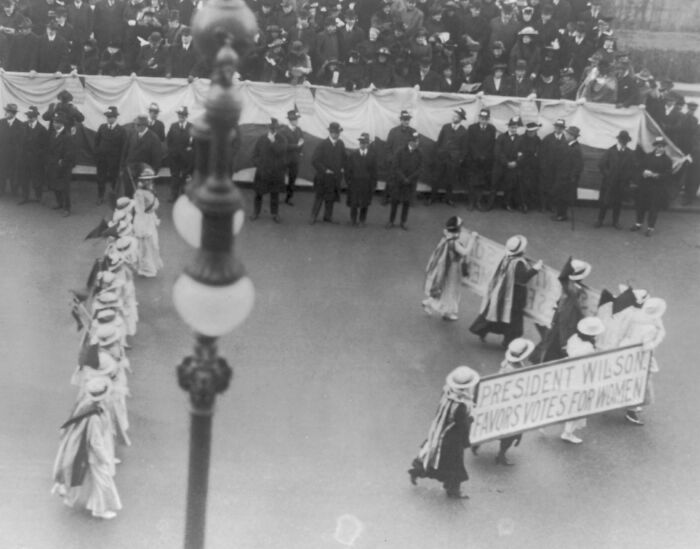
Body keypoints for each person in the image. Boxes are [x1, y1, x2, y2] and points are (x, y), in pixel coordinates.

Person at [51, 376, 122, 520]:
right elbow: (95, 442)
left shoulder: (88, 406)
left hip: (87, 452)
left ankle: (66, 491)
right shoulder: (95, 416)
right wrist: (105, 458)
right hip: (95, 456)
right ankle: (99, 509)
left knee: (84, 476)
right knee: (103, 481)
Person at [408, 365, 479, 499]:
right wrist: (471, 418)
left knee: (436, 459)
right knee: (456, 466)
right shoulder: (461, 406)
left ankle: (416, 471)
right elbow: (463, 425)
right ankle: (453, 491)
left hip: (441, 432)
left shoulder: (447, 392)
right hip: (453, 439)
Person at [471, 338, 536, 465]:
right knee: (510, 431)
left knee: (492, 424)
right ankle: (501, 455)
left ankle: (478, 442)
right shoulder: (516, 370)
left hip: (499, 400)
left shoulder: (507, 363)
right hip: (509, 404)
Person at [470, 235, 543, 345]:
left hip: (503, 291)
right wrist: (535, 269)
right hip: (515, 294)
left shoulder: (506, 257)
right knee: (514, 319)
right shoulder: (518, 263)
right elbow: (523, 278)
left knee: (496, 313)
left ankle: (481, 329)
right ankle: (508, 341)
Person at [535, 258, 592, 363]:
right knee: (560, 342)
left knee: (551, 340)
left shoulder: (567, 284)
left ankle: (543, 359)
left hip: (559, 316)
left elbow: (563, 277)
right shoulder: (576, 291)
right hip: (568, 319)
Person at [620, 297, 666, 425]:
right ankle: (631, 410)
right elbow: (647, 346)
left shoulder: (635, 316)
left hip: (628, 352)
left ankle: (630, 405)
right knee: (641, 384)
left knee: (631, 380)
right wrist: (655, 341)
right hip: (640, 358)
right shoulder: (649, 328)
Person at [560, 316, 605, 443]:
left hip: (569, 373)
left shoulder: (573, 338)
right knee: (577, 406)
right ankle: (568, 432)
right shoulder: (588, 348)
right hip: (580, 377)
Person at [422, 216, 475, 321]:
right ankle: (447, 312)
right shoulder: (454, 242)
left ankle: (430, 303)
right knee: (451, 289)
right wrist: (472, 239)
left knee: (445, 288)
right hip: (452, 267)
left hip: (447, 266)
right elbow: (465, 252)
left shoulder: (447, 237)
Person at [631, 137, 672, 237]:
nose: (660, 148)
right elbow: (640, 167)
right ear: (655, 146)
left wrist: (655, 175)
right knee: (641, 205)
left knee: (653, 208)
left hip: (657, 187)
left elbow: (668, 174)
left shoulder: (667, 160)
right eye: (658, 146)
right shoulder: (648, 156)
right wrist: (643, 173)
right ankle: (638, 224)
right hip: (645, 186)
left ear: (664, 147)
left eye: (662, 146)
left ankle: (650, 228)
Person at [595, 130, 637, 229]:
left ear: (627, 141)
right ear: (618, 140)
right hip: (609, 182)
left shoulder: (630, 153)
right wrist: (608, 175)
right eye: (622, 140)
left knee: (618, 203)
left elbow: (633, 168)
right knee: (604, 202)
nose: (623, 142)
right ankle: (600, 220)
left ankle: (615, 222)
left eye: (625, 140)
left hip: (622, 183)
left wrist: (628, 177)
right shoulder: (610, 151)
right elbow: (601, 165)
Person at [428, 107, 468, 207]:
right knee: (436, 178)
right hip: (441, 157)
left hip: (453, 160)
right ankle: (432, 198)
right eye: (454, 115)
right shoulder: (446, 127)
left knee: (451, 179)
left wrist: (459, 159)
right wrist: (438, 153)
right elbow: (439, 141)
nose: (454, 117)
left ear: (461, 119)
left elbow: (464, 148)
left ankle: (449, 199)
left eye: (457, 116)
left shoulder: (464, 131)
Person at [250, 118, 287, 223]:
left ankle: (275, 214)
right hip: (263, 172)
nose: (272, 130)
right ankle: (256, 212)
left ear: (277, 128)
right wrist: (259, 164)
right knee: (258, 193)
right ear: (267, 127)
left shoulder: (282, 139)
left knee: (275, 194)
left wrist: (273, 142)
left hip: (276, 173)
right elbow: (254, 155)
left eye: (274, 128)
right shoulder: (261, 138)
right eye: (270, 127)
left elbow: (281, 152)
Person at [311, 122, 346, 224]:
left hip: (334, 177)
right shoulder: (323, 144)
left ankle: (327, 217)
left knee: (331, 198)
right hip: (323, 177)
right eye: (334, 133)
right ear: (330, 132)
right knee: (319, 197)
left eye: (338, 133)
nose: (336, 135)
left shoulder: (340, 144)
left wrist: (343, 167)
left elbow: (344, 158)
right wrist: (325, 170)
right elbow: (314, 160)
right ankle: (313, 216)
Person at [120, 115, 163, 198]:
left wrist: (151, 175)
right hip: (129, 172)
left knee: (143, 197)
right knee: (128, 195)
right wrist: (123, 167)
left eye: (137, 125)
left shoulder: (154, 138)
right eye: (135, 124)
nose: (135, 126)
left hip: (144, 174)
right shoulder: (132, 134)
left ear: (143, 126)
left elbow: (157, 159)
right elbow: (125, 152)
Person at [387, 130, 422, 230]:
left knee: (406, 203)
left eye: (417, 141)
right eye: (414, 141)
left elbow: (420, 168)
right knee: (395, 202)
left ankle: (403, 222)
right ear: (409, 141)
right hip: (398, 182)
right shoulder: (400, 151)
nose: (416, 143)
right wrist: (403, 178)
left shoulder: (419, 153)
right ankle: (391, 221)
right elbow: (395, 166)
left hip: (410, 183)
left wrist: (410, 179)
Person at [133, 166, 163, 277]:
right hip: (143, 221)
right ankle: (145, 267)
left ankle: (151, 265)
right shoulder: (139, 193)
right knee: (145, 244)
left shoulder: (151, 189)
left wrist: (154, 218)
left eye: (150, 179)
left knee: (154, 244)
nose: (148, 181)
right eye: (146, 179)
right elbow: (140, 210)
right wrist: (142, 227)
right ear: (141, 180)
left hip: (150, 219)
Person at [95, 106, 127, 206]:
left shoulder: (121, 130)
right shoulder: (102, 127)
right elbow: (96, 142)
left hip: (114, 160)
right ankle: (100, 196)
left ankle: (114, 198)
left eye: (111, 117)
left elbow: (124, 147)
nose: (109, 119)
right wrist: (98, 154)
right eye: (107, 117)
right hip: (102, 159)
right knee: (101, 178)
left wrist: (121, 162)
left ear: (116, 117)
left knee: (114, 179)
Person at [46, 113, 77, 217]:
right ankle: (59, 203)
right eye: (54, 122)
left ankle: (67, 208)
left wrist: (62, 162)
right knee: (55, 185)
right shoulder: (53, 134)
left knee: (64, 188)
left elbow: (70, 153)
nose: (55, 124)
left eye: (57, 122)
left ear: (62, 123)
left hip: (64, 166)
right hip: (53, 164)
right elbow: (50, 149)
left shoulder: (67, 136)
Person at [492, 117, 524, 212]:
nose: (513, 129)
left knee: (509, 187)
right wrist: (506, 163)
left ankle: (506, 204)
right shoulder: (501, 137)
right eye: (512, 127)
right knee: (494, 185)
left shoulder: (520, 139)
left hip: (512, 167)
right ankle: (490, 204)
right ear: (508, 127)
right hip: (500, 166)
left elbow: (522, 152)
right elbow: (497, 152)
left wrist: (516, 162)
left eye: (515, 127)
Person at [345, 133, 377, 227]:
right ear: (359, 143)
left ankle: (362, 220)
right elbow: (348, 170)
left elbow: (374, 172)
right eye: (361, 143)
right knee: (354, 203)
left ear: (368, 144)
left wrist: (373, 184)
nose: (363, 145)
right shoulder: (353, 155)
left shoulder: (372, 156)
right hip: (355, 183)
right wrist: (349, 181)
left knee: (364, 203)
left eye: (365, 143)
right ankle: (353, 220)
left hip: (366, 184)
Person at [552, 125, 583, 222]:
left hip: (568, 178)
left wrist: (572, 176)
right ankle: (559, 213)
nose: (566, 135)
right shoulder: (566, 145)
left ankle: (562, 215)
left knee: (564, 197)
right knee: (559, 195)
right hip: (561, 175)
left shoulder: (576, 148)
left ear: (573, 136)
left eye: (568, 134)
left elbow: (578, 165)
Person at [19, 106, 49, 205]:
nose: (29, 118)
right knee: (24, 178)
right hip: (24, 158)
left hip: (36, 159)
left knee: (37, 178)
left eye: (31, 116)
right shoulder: (23, 126)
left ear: (36, 117)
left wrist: (38, 156)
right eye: (28, 116)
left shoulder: (42, 129)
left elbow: (45, 146)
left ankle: (38, 197)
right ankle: (25, 197)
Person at [539, 118, 568, 212]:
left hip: (558, 169)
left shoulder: (565, 140)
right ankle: (543, 205)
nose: (559, 129)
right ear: (554, 127)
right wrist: (543, 166)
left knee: (554, 187)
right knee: (545, 186)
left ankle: (550, 205)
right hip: (547, 168)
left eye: (561, 127)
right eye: (557, 127)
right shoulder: (548, 138)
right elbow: (541, 153)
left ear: (563, 129)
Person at [165, 106, 193, 202]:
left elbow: (195, 143)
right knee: (175, 176)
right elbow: (168, 140)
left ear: (186, 116)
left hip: (186, 158)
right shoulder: (173, 126)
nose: (181, 117)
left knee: (185, 177)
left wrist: (190, 151)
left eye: (183, 115)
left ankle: (185, 197)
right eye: (179, 115)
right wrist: (171, 151)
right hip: (174, 157)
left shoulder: (191, 127)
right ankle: (174, 196)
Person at [277, 110, 304, 206]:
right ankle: (277, 198)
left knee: (292, 179)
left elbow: (302, 142)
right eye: (294, 119)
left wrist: (300, 151)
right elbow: (284, 146)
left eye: (297, 119)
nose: (296, 121)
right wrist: (297, 146)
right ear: (290, 120)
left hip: (295, 159)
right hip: (284, 158)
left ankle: (288, 198)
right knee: (280, 178)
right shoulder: (283, 131)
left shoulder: (299, 130)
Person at [0, 103, 24, 197]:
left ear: (13, 113)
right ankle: (1, 191)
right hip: (2, 153)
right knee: (1, 173)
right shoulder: (1, 122)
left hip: (14, 154)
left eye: (8, 112)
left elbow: (21, 141)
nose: (6, 113)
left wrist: (18, 153)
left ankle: (14, 192)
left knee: (14, 173)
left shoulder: (20, 125)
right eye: (6, 111)